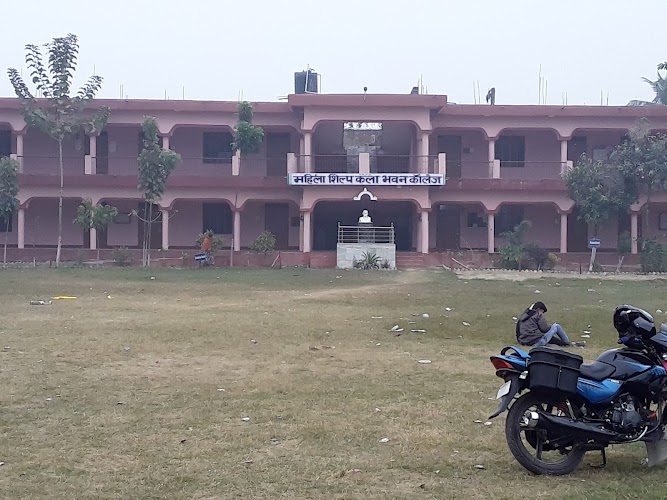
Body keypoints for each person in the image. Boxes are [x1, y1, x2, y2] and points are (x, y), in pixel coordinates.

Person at [516, 301, 586, 348]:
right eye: (543, 312)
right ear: (539, 309)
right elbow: (545, 329)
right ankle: (568, 343)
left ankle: (565, 344)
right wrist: (550, 326)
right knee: (556, 326)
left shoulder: (524, 316)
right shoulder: (538, 314)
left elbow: (518, 331)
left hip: (524, 342)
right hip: (536, 342)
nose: (543, 314)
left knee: (550, 340)